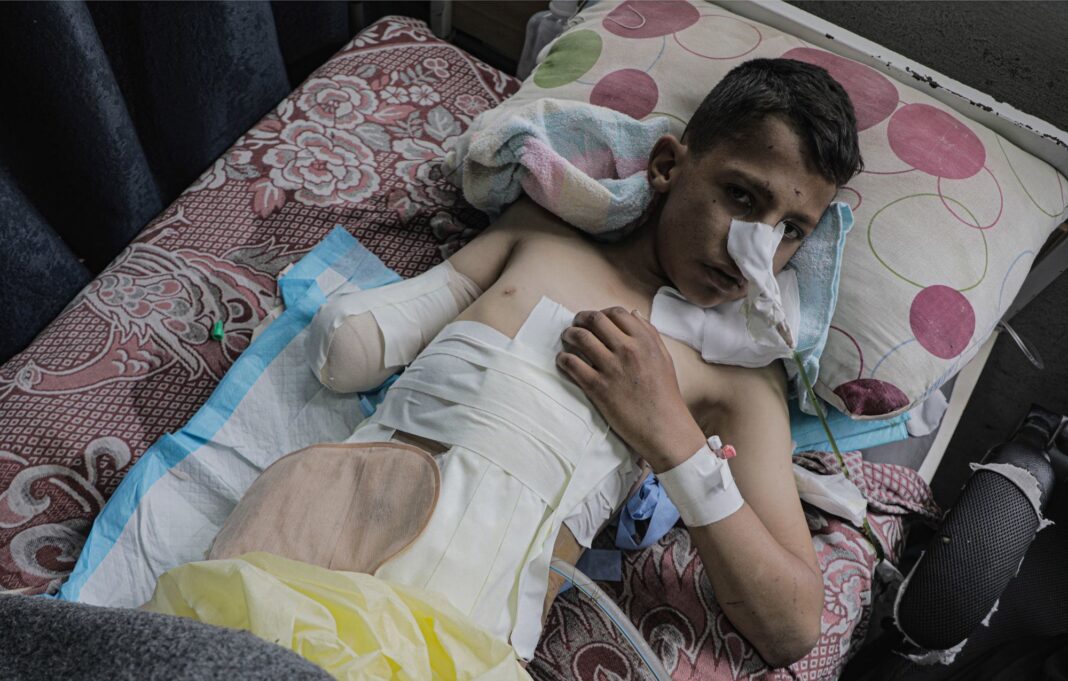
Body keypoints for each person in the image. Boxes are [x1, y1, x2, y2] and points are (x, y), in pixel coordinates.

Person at [145, 58, 863, 674]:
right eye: (742, 197)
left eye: (789, 231)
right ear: (670, 165)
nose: (754, 252)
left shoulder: (736, 383)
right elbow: (368, 342)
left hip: (456, 635)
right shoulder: (542, 237)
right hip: (311, 552)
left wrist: (672, 436)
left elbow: (792, 622)